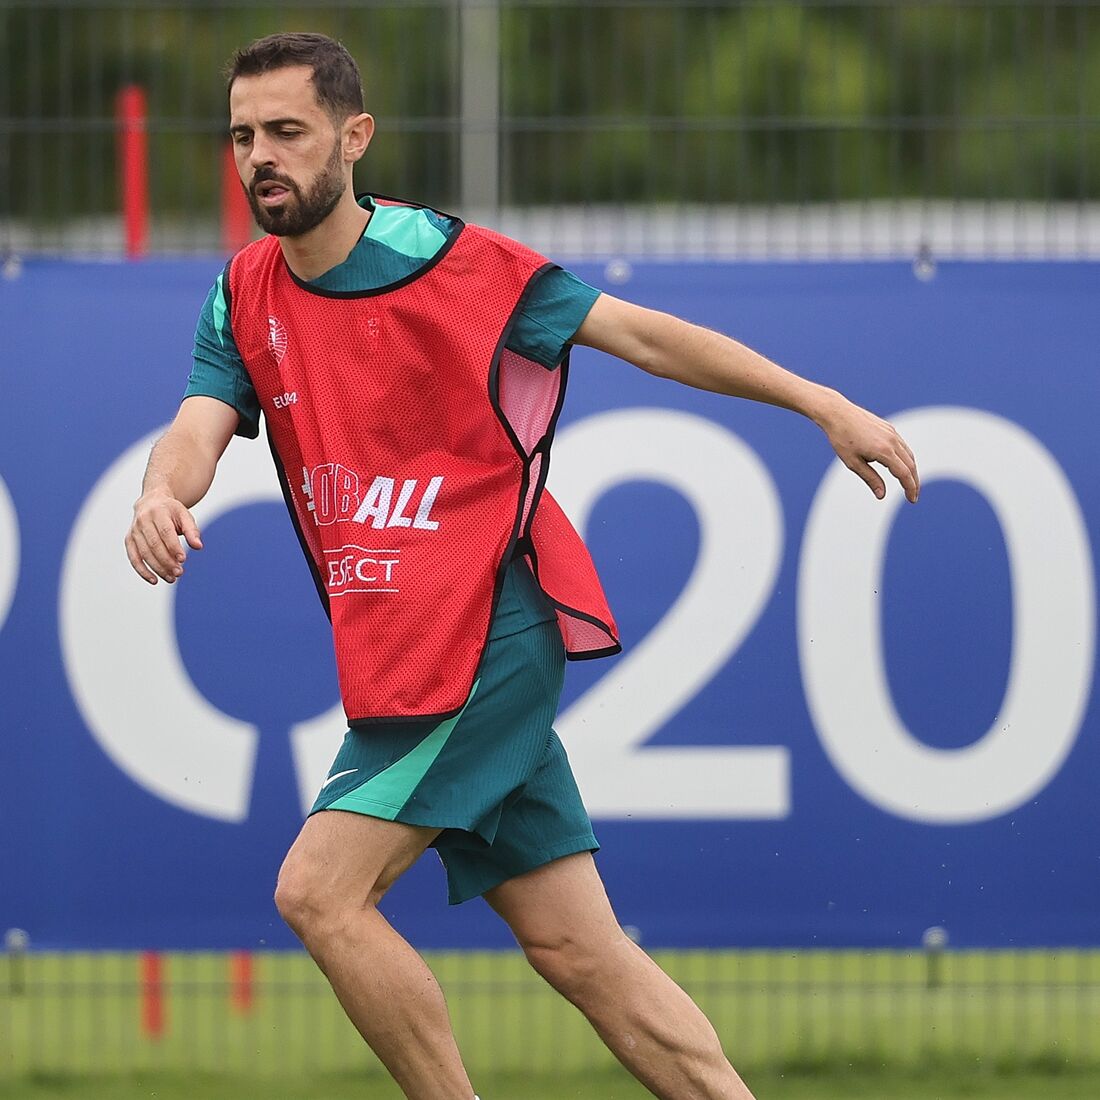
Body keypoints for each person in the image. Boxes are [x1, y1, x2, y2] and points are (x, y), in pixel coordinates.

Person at [124, 32, 919, 1100]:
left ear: (355, 138)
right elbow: (197, 424)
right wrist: (161, 492)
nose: (260, 156)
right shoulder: (243, 290)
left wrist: (821, 402)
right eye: (242, 136)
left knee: (319, 893)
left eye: (287, 132)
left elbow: (641, 336)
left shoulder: (454, 266)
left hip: (482, 635)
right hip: (402, 655)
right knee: (578, 951)